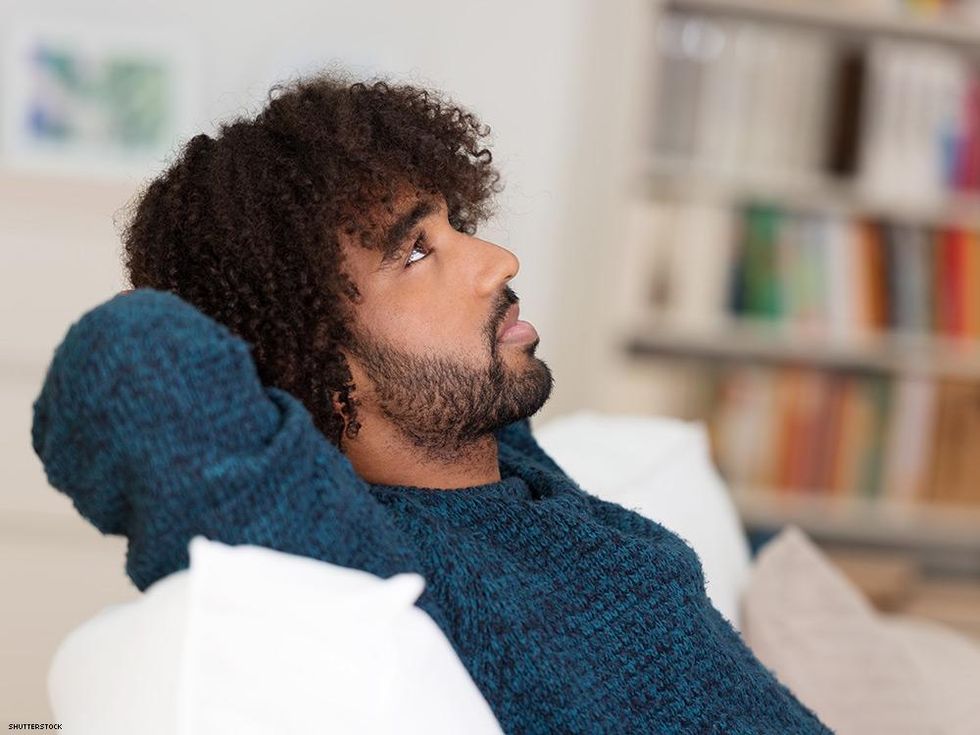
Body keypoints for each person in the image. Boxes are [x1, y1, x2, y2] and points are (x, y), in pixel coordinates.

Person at [31, 72, 832, 733]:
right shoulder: (377, 556)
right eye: (416, 250)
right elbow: (126, 367)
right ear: (310, 354)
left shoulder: (498, 456)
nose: (500, 260)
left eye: (460, 225)